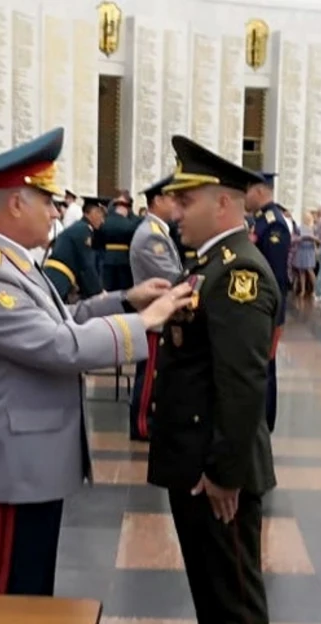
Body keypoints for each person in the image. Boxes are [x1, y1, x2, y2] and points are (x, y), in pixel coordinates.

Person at [0, 127, 192, 602]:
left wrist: (125, 299)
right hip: (16, 461)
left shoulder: (13, 261)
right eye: (48, 201)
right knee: (7, 597)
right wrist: (146, 323)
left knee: (31, 585)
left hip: (32, 456)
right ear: (17, 203)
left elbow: (66, 317)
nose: (56, 212)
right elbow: (59, 345)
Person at [148, 135, 280, 624]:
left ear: (224, 204)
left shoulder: (242, 272)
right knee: (208, 586)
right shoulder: (209, 264)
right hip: (195, 459)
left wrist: (225, 472)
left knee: (233, 591)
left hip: (218, 469)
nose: (178, 209)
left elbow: (243, 381)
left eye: (188, 198)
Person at [129, 175, 183, 442]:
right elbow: (172, 275)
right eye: (171, 198)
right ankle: (142, 425)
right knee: (149, 373)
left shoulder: (158, 231)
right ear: (157, 200)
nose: (176, 204)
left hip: (157, 314)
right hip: (153, 316)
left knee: (153, 370)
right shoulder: (152, 235)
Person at [246, 172, 292, 432]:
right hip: (258, 306)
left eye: (248, 190)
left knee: (265, 364)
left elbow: (274, 275)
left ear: (261, 191)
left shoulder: (273, 223)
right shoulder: (260, 220)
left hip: (267, 308)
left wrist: (270, 310)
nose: (245, 196)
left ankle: (264, 419)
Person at [45, 195, 106, 302]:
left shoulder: (79, 227)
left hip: (56, 276)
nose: (102, 221)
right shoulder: (83, 230)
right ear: (93, 213)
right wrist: (98, 292)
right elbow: (86, 265)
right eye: (101, 216)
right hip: (59, 279)